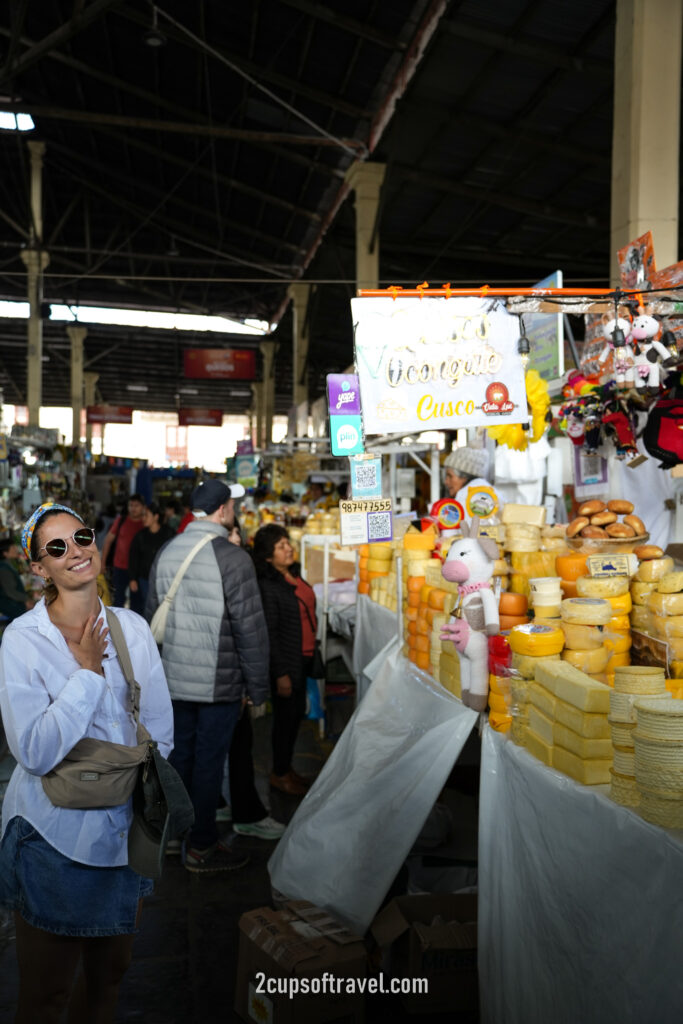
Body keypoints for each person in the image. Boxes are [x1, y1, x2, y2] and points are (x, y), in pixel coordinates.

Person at [0, 502, 173, 1023]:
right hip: (55, 836)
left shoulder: (132, 628)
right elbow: (32, 751)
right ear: (39, 569)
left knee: (110, 976)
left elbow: (159, 732)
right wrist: (89, 674)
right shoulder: (24, 642)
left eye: (81, 537)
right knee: (47, 991)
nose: (76, 551)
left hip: (123, 834)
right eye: (57, 548)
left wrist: (144, 803)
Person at [146, 480, 270, 872]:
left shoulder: (167, 551)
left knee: (177, 757)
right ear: (222, 510)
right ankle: (201, 846)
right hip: (219, 684)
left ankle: (171, 837)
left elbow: (152, 620)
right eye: (231, 504)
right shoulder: (234, 559)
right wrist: (258, 688)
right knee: (208, 765)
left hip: (173, 681)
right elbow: (250, 630)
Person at [217, 517, 285, 841]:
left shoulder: (217, 565)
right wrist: (252, 685)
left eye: (235, 533)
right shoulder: (237, 569)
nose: (233, 538)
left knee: (223, 747)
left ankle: (220, 805)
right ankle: (245, 813)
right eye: (229, 532)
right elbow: (248, 631)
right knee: (237, 746)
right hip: (228, 675)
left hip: (216, 675)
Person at [252, 524, 317, 797]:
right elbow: (270, 634)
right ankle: (279, 774)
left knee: (295, 717)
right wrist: (280, 673)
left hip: (303, 658)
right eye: (280, 546)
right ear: (268, 556)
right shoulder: (268, 587)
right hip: (287, 663)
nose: (288, 547)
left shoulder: (294, 574)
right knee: (285, 721)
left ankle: (286, 768)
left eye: (287, 542)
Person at [101, 494, 146, 612]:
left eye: (136, 505)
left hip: (138, 570)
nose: (133, 508)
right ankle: (117, 627)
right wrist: (102, 563)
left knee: (137, 603)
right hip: (120, 568)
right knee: (118, 601)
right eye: (131, 505)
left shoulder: (145, 523)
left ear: (143, 507)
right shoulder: (121, 521)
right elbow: (107, 541)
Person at [128, 502, 174, 610]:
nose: (143, 518)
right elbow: (133, 558)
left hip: (163, 579)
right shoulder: (140, 536)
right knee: (145, 607)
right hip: (144, 580)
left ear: (156, 517)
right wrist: (132, 579)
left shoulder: (169, 534)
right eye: (143, 515)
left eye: (146, 515)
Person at [0, 539, 33, 622]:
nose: (16, 550)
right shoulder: (4, 569)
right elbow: (11, 592)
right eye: (13, 548)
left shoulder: (7, 564)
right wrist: (26, 599)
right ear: (5, 553)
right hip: (13, 607)